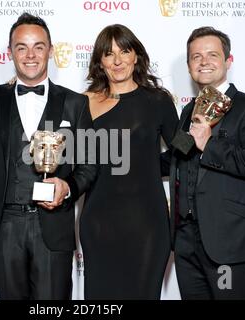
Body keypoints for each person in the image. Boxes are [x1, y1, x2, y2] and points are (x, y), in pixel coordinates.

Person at [0, 13, 97, 300]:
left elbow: (89, 164)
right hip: (2, 229)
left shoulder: (75, 103)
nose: (30, 55)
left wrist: (68, 186)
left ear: (51, 50)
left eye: (38, 46)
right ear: (10, 52)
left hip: (53, 228)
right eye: (21, 47)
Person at [169, 26, 245, 299]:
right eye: (196, 56)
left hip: (228, 241)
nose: (204, 62)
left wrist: (210, 145)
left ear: (228, 61)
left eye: (212, 55)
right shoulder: (187, 110)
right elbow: (176, 158)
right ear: (189, 65)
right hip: (185, 242)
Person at [79, 24, 179, 299]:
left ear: (136, 56)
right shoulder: (82, 102)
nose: (118, 60)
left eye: (125, 51)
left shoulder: (157, 100)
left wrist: (145, 164)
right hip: (98, 223)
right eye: (109, 54)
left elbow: (181, 152)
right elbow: (69, 155)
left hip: (147, 223)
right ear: (100, 61)